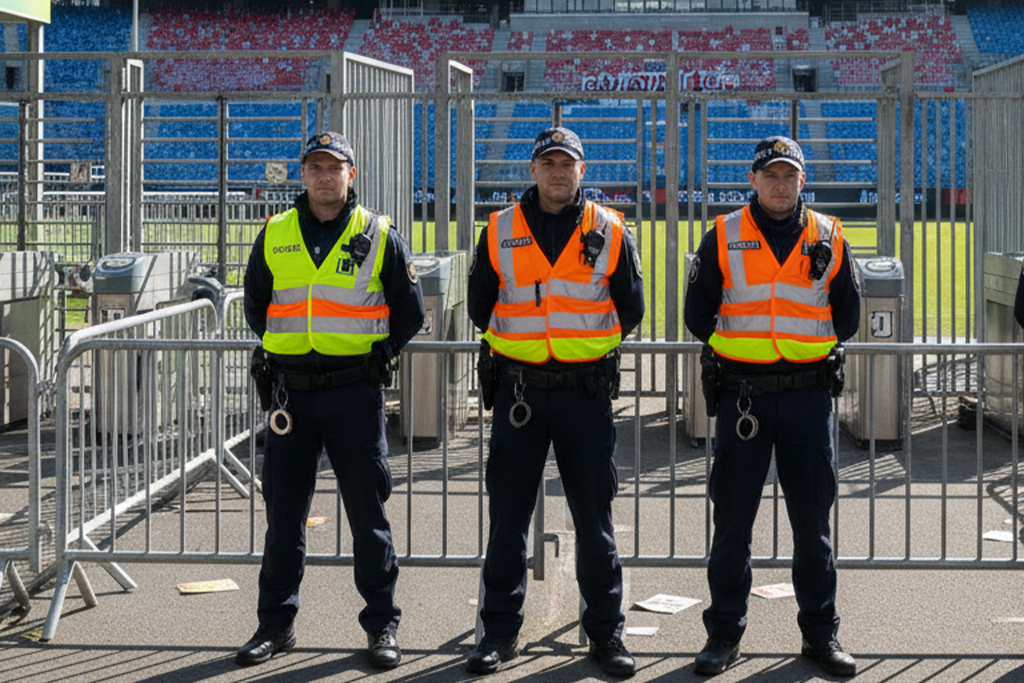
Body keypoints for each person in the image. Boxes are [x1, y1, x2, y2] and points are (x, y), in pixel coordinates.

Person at [238, 131, 425, 668]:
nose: (325, 176)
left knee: (368, 518)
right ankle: (275, 625)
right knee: (284, 520)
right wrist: (290, 349)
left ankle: (382, 625)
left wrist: (376, 353)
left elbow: (410, 312)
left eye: (334, 167)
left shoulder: (379, 233)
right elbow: (256, 305)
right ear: (303, 175)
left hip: (353, 393)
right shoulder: (274, 232)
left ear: (351, 174)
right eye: (316, 167)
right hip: (291, 397)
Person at [467, 127, 645, 677]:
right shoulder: (499, 229)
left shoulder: (610, 228)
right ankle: (498, 633)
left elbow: (632, 307)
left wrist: (580, 348)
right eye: (549, 163)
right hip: (519, 392)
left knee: (594, 523)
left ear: (582, 171)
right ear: (533, 170)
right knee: (508, 521)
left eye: (568, 163)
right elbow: (478, 306)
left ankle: (607, 635)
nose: (559, 172)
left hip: (583, 393)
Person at [683, 136, 861, 677]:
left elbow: (848, 316)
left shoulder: (829, 233)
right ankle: (723, 635)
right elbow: (697, 314)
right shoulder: (722, 234)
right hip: (745, 398)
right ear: (753, 180)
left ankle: (820, 635)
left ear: (802, 180)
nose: (780, 185)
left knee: (813, 526)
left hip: (808, 396)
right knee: (732, 524)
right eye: (770, 175)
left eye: (789, 175)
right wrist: (744, 353)